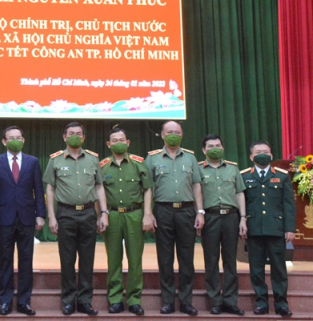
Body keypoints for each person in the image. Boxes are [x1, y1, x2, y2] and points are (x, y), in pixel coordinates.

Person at [44, 122, 108, 316]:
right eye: (71, 133)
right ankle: (69, 300)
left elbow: (99, 187)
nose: (75, 136)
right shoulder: (55, 160)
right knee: (67, 259)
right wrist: (52, 217)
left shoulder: (92, 159)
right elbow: (50, 189)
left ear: (83, 137)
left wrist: (103, 212)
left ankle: (85, 301)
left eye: (78, 134)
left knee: (87, 260)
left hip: (88, 214)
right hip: (66, 214)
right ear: (64, 137)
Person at [145, 120, 204, 316]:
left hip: (186, 211)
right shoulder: (152, 158)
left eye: (177, 132)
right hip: (163, 211)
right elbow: (147, 188)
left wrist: (200, 211)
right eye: (169, 131)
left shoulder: (190, 158)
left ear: (182, 134)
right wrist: (149, 212)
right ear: (162, 135)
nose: (173, 134)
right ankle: (168, 301)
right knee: (165, 258)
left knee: (187, 258)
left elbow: (196, 185)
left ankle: (186, 302)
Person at [0, 126, 45, 316]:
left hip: (27, 218)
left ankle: (23, 301)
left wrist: (40, 214)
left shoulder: (33, 162)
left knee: (26, 261)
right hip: (4, 218)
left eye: (18, 137)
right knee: (5, 261)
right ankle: (4, 301)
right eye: (11, 137)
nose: (15, 140)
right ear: (4, 141)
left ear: (23, 140)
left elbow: (39, 189)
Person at [98, 127, 153, 316]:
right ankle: (114, 299)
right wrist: (101, 215)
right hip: (112, 215)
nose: (118, 143)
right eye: (114, 140)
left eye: (122, 139)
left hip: (134, 215)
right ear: (108, 144)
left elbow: (147, 189)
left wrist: (147, 214)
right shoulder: (103, 165)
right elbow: (99, 192)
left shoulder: (139, 163)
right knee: (113, 259)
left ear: (128, 142)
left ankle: (134, 300)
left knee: (135, 259)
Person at [241, 140, 295, 317]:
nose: (262, 154)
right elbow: (241, 204)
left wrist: (290, 228)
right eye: (258, 152)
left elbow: (288, 204)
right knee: (256, 269)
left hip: (276, 228)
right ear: (251, 156)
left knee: (279, 268)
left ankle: (281, 304)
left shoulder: (282, 175)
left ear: (271, 155)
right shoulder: (244, 176)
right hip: (254, 228)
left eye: (265, 151)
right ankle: (261, 303)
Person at [198, 134, 246, 315]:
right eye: (210, 146)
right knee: (211, 261)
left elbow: (240, 193)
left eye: (217, 145)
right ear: (204, 150)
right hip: (210, 218)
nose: (214, 148)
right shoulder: (198, 169)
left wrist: (243, 218)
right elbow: (196, 193)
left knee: (230, 261)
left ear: (223, 147)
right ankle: (215, 301)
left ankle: (231, 301)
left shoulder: (233, 169)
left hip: (231, 218)